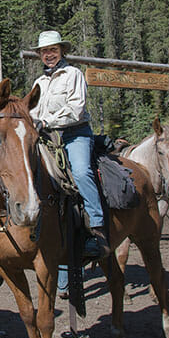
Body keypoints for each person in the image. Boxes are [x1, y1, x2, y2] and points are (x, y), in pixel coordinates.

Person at [28, 30, 110, 299]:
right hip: (48, 137)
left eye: (53, 49)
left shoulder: (74, 74)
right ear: (40, 55)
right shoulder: (39, 81)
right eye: (44, 51)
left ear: (61, 51)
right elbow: (33, 113)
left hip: (75, 134)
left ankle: (97, 228)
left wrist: (45, 122)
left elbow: (76, 109)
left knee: (82, 171)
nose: (49, 54)